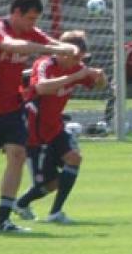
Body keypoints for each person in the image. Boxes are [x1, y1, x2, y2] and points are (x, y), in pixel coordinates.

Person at [0, 0, 79, 233]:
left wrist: (67, 48)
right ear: (16, 13)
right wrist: (53, 49)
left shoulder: (30, 32)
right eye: (30, 18)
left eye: (35, 20)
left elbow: (49, 42)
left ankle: (3, 220)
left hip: (13, 107)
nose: (32, 24)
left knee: (17, 155)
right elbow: (13, 44)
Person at [13, 31, 106, 224]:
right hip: (34, 132)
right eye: (76, 58)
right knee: (48, 184)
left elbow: (98, 87)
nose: (79, 62)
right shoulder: (45, 64)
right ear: (63, 53)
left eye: (81, 58)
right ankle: (20, 203)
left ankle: (55, 213)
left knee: (74, 158)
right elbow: (41, 88)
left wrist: (100, 78)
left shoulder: (77, 68)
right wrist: (75, 76)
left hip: (54, 127)